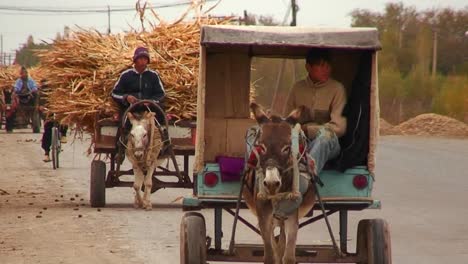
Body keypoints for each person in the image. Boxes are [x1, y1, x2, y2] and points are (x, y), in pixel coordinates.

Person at [285, 48, 347, 177]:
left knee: (325, 136)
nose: (327, 70)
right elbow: (288, 122)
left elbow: (339, 128)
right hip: (301, 141)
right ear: (308, 67)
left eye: (328, 66)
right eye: (321, 66)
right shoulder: (297, 88)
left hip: (329, 143)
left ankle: (305, 176)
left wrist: (308, 129)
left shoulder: (337, 89)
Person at [111, 46, 167, 149]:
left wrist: (151, 101)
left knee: (161, 117)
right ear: (135, 60)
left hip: (149, 107)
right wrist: (126, 97)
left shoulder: (153, 75)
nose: (143, 62)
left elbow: (161, 94)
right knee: (124, 123)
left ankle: (165, 143)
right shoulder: (126, 75)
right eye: (140, 59)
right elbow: (114, 93)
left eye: (145, 59)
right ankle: (120, 147)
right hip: (131, 107)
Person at [38, 79, 68, 162]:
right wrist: (41, 107)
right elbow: (40, 101)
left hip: (60, 110)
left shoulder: (61, 88)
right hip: (48, 112)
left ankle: (63, 134)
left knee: (63, 120)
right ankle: (47, 153)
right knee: (47, 129)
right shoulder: (43, 92)